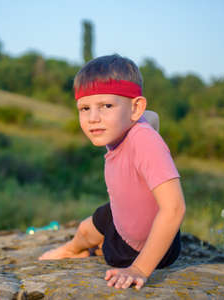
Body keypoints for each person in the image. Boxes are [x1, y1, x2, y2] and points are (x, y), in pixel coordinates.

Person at [39, 54, 185, 291]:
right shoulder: (123, 124)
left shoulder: (146, 142)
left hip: (137, 248)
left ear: (136, 107)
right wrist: (122, 113)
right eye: (85, 108)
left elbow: (175, 208)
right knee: (87, 227)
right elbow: (152, 117)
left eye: (106, 106)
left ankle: (91, 249)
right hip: (122, 214)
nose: (93, 118)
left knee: (105, 246)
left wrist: (139, 268)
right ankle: (72, 249)